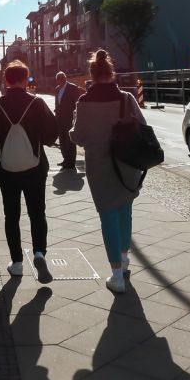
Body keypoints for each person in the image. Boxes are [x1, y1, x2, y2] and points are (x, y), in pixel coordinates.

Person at [69, 49, 147, 294]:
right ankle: (124, 259)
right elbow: (143, 127)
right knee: (126, 209)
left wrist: (75, 125)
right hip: (127, 164)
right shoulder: (126, 99)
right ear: (111, 73)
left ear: (91, 74)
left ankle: (116, 275)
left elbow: (78, 137)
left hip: (99, 166)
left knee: (108, 216)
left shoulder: (83, 103)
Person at [0, 60, 58, 282]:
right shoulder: (37, 103)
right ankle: (39, 253)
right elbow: (52, 134)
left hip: (7, 168)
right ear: (26, 80)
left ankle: (16, 263)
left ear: (6, 80)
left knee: (11, 215)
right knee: (37, 212)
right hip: (35, 167)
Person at [54, 71, 83, 170]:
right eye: (58, 78)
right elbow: (57, 103)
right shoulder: (57, 89)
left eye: (62, 77)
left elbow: (77, 103)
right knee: (62, 140)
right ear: (56, 80)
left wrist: (76, 116)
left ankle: (71, 162)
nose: (60, 80)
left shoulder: (72, 87)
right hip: (60, 119)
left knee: (70, 141)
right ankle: (65, 159)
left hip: (70, 118)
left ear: (65, 78)